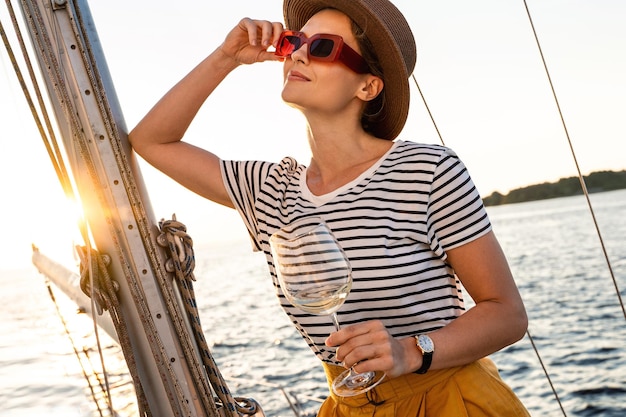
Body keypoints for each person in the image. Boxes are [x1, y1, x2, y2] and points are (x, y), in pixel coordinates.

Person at [129, 0, 530, 415]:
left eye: (322, 47)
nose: (298, 53)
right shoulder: (271, 190)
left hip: (449, 400)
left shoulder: (427, 170)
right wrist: (226, 58)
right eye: (293, 43)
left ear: (367, 87)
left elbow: (507, 314)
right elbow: (151, 140)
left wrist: (410, 352)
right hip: (348, 405)